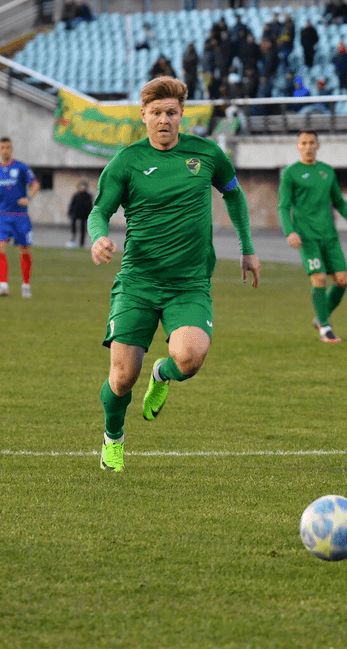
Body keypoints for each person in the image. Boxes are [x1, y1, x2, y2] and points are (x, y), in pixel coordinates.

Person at [89, 76, 260, 472]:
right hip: (138, 282)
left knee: (190, 358)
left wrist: (247, 248)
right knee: (122, 378)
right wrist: (98, 238)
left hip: (189, 284)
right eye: (156, 113)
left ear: (182, 114)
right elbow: (100, 211)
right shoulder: (126, 162)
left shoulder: (207, 154)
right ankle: (113, 437)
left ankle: (162, 374)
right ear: (143, 116)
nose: (164, 120)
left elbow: (234, 194)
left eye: (171, 112)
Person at [278, 130, 347, 343]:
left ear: (318, 145)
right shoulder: (290, 173)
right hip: (306, 237)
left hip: (329, 235)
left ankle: (320, 317)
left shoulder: (327, 171)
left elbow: (338, 201)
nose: (308, 147)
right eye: (303, 143)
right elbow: (284, 206)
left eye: (311, 142)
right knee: (319, 278)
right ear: (298, 146)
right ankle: (325, 328)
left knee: (342, 280)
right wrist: (290, 231)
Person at [0, 136, 39, 298]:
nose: (5, 150)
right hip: (2, 215)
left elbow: (35, 184)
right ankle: (3, 285)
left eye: (8, 147)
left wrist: (28, 198)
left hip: (20, 216)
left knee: (24, 250)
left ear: (12, 149)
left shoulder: (21, 167)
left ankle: (26, 285)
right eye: (2, 148)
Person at [67, 180, 94, 248]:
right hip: (76, 214)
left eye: (84, 186)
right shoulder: (76, 195)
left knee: (83, 229)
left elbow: (90, 206)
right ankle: (73, 240)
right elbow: (72, 205)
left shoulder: (88, 196)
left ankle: (81, 244)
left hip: (84, 215)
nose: (83, 188)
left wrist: (90, 215)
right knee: (74, 227)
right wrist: (70, 213)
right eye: (82, 186)